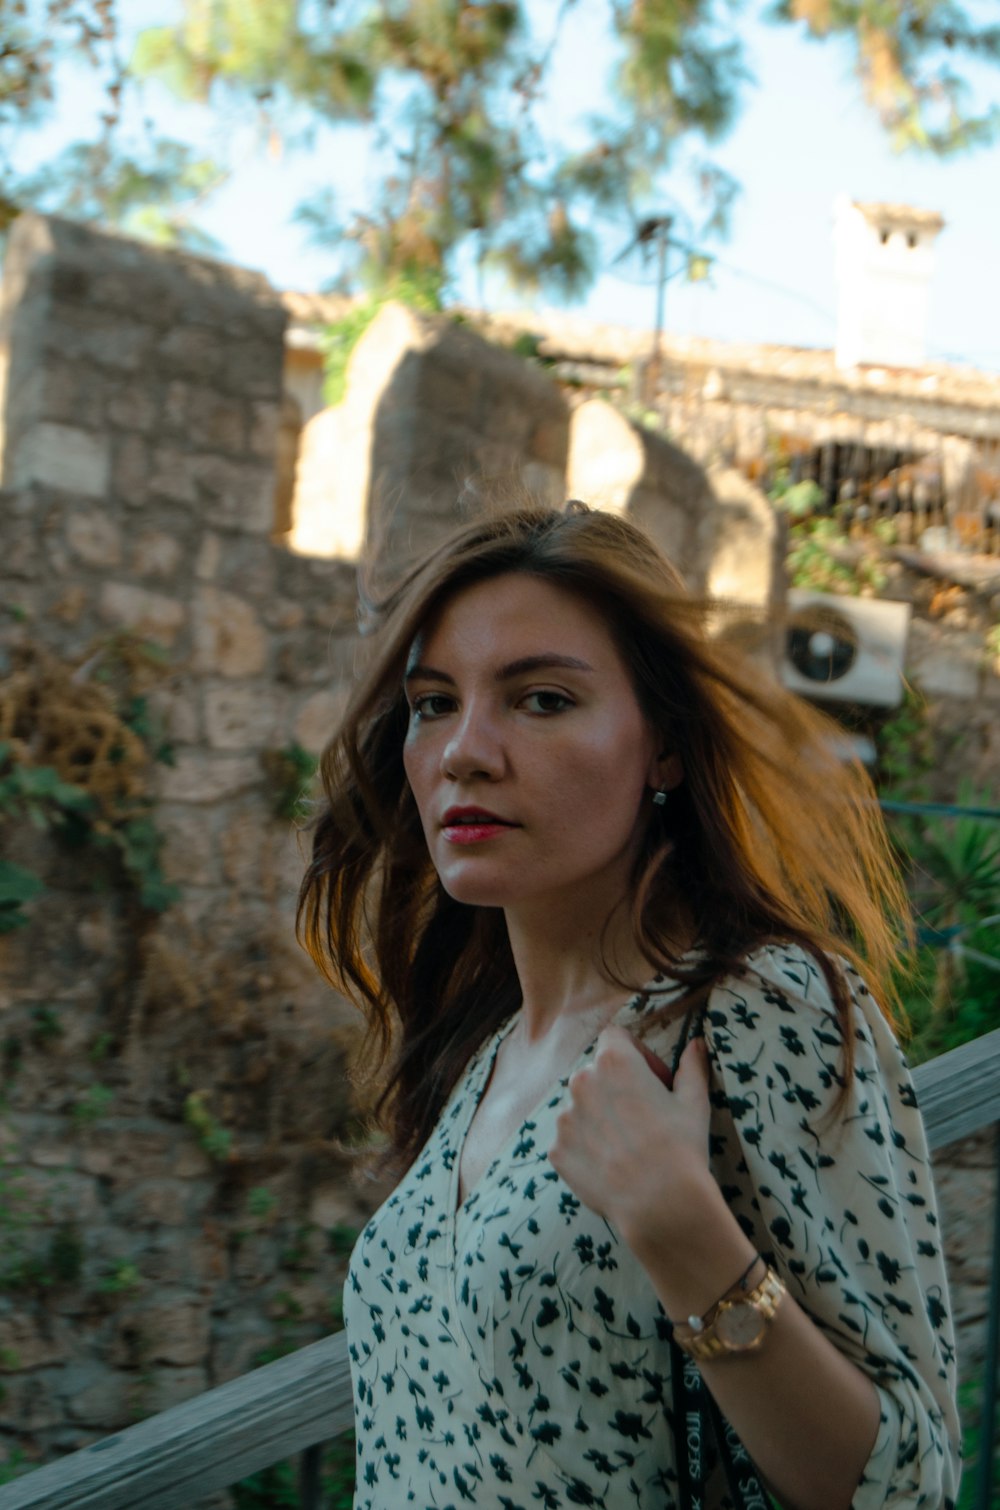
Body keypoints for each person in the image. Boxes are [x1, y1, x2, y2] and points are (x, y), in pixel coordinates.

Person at [298, 501, 960, 1510]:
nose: (464, 751)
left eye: (542, 699)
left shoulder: (759, 1009)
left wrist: (679, 1225)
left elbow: (907, 1482)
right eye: (434, 703)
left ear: (665, 747)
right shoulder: (483, 1052)